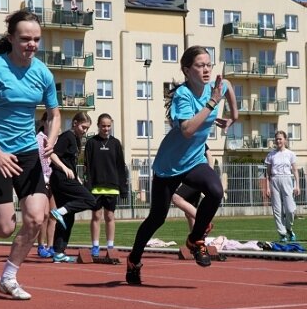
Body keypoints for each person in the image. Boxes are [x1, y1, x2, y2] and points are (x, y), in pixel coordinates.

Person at [0, 9, 61, 300]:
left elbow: (55, 114)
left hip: (29, 151)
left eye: (36, 39)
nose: (31, 44)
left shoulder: (42, 72)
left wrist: (51, 139)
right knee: (5, 227)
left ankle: (8, 277)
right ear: (11, 38)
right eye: (25, 39)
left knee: (35, 218)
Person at [126, 45, 238, 285]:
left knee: (216, 190)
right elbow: (187, 130)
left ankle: (195, 240)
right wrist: (211, 104)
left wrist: (233, 116)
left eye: (208, 64)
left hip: (195, 160)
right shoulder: (183, 96)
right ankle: (134, 259)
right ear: (187, 70)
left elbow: (228, 85)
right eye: (200, 65)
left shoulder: (215, 87)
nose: (206, 69)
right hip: (169, 165)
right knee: (157, 219)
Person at [49, 112, 96, 262]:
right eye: (83, 127)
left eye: (87, 128)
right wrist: (64, 168)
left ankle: (58, 252)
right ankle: (59, 211)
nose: (85, 130)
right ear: (75, 123)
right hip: (60, 177)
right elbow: (52, 154)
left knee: (68, 218)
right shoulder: (67, 136)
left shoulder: (76, 140)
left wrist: (77, 177)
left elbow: (70, 162)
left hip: (66, 177)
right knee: (90, 200)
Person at [84, 113, 128, 256]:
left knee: (110, 216)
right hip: (96, 186)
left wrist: (123, 188)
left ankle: (110, 245)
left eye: (109, 126)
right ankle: (95, 246)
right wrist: (88, 187)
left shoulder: (115, 143)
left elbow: (121, 167)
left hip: (112, 186)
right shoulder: (91, 143)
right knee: (96, 216)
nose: (106, 128)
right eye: (103, 126)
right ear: (98, 125)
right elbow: (87, 166)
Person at [264, 130, 300, 242]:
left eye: (280, 138)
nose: (278, 141)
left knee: (290, 209)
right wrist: (268, 187)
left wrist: (297, 185)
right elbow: (268, 173)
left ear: (285, 140)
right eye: (277, 139)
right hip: (274, 180)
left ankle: (289, 228)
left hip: (287, 180)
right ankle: (282, 233)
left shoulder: (290, 154)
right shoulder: (271, 155)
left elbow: (295, 170)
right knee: (277, 210)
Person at [171, 144, 213, 233]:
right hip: (190, 178)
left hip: (198, 176)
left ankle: (204, 222)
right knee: (189, 214)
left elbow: (209, 154)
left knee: (176, 198)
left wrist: (210, 174)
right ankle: (195, 239)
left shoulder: (195, 140)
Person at [34, 113, 57, 259]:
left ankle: (51, 245)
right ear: (43, 122)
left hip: (54, 179)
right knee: (44, 215)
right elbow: (38, 159)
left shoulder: (56, 139)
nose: (52, 124)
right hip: (41, 179)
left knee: (53, 215)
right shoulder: (38, 139)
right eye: (49, 121)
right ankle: (41, 245)